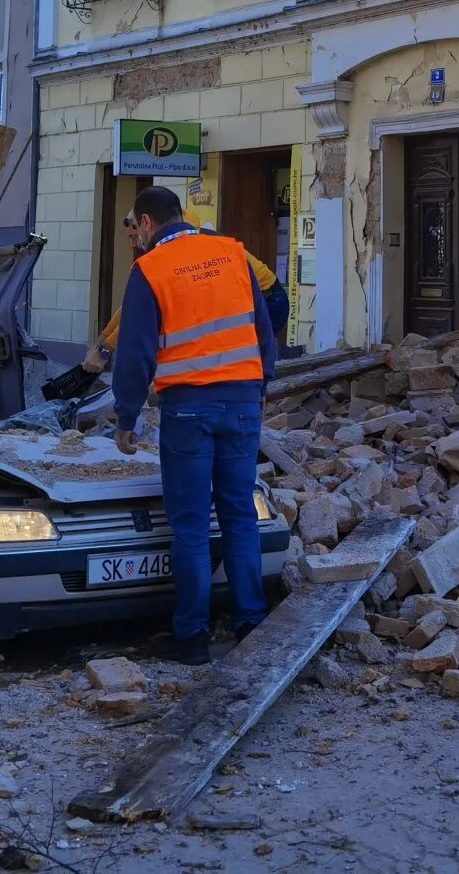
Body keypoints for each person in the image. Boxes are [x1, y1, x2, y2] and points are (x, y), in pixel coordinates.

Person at [111, 185, 276, 664]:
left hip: (188, 409)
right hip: (243, 402)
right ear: (181, 216)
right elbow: (262, 327)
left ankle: (192, 635)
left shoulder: (150, 269)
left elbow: (136, 350)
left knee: (190, 526)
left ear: (146, 224)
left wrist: (126, 415)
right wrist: (259, 385)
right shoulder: (231, 253)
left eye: (134, 227)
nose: (135, 237)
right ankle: (251, 623)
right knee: (240, 514)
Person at [91, 214, 287, 371]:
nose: (133, 242)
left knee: (241, 356)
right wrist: (104, 337)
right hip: (254, 293)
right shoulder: (175, 236)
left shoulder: (174, 246)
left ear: (145, 223)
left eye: (133, 234)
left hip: (268, 296)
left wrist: (106, 349)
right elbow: (133, 303)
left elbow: (136, 311)